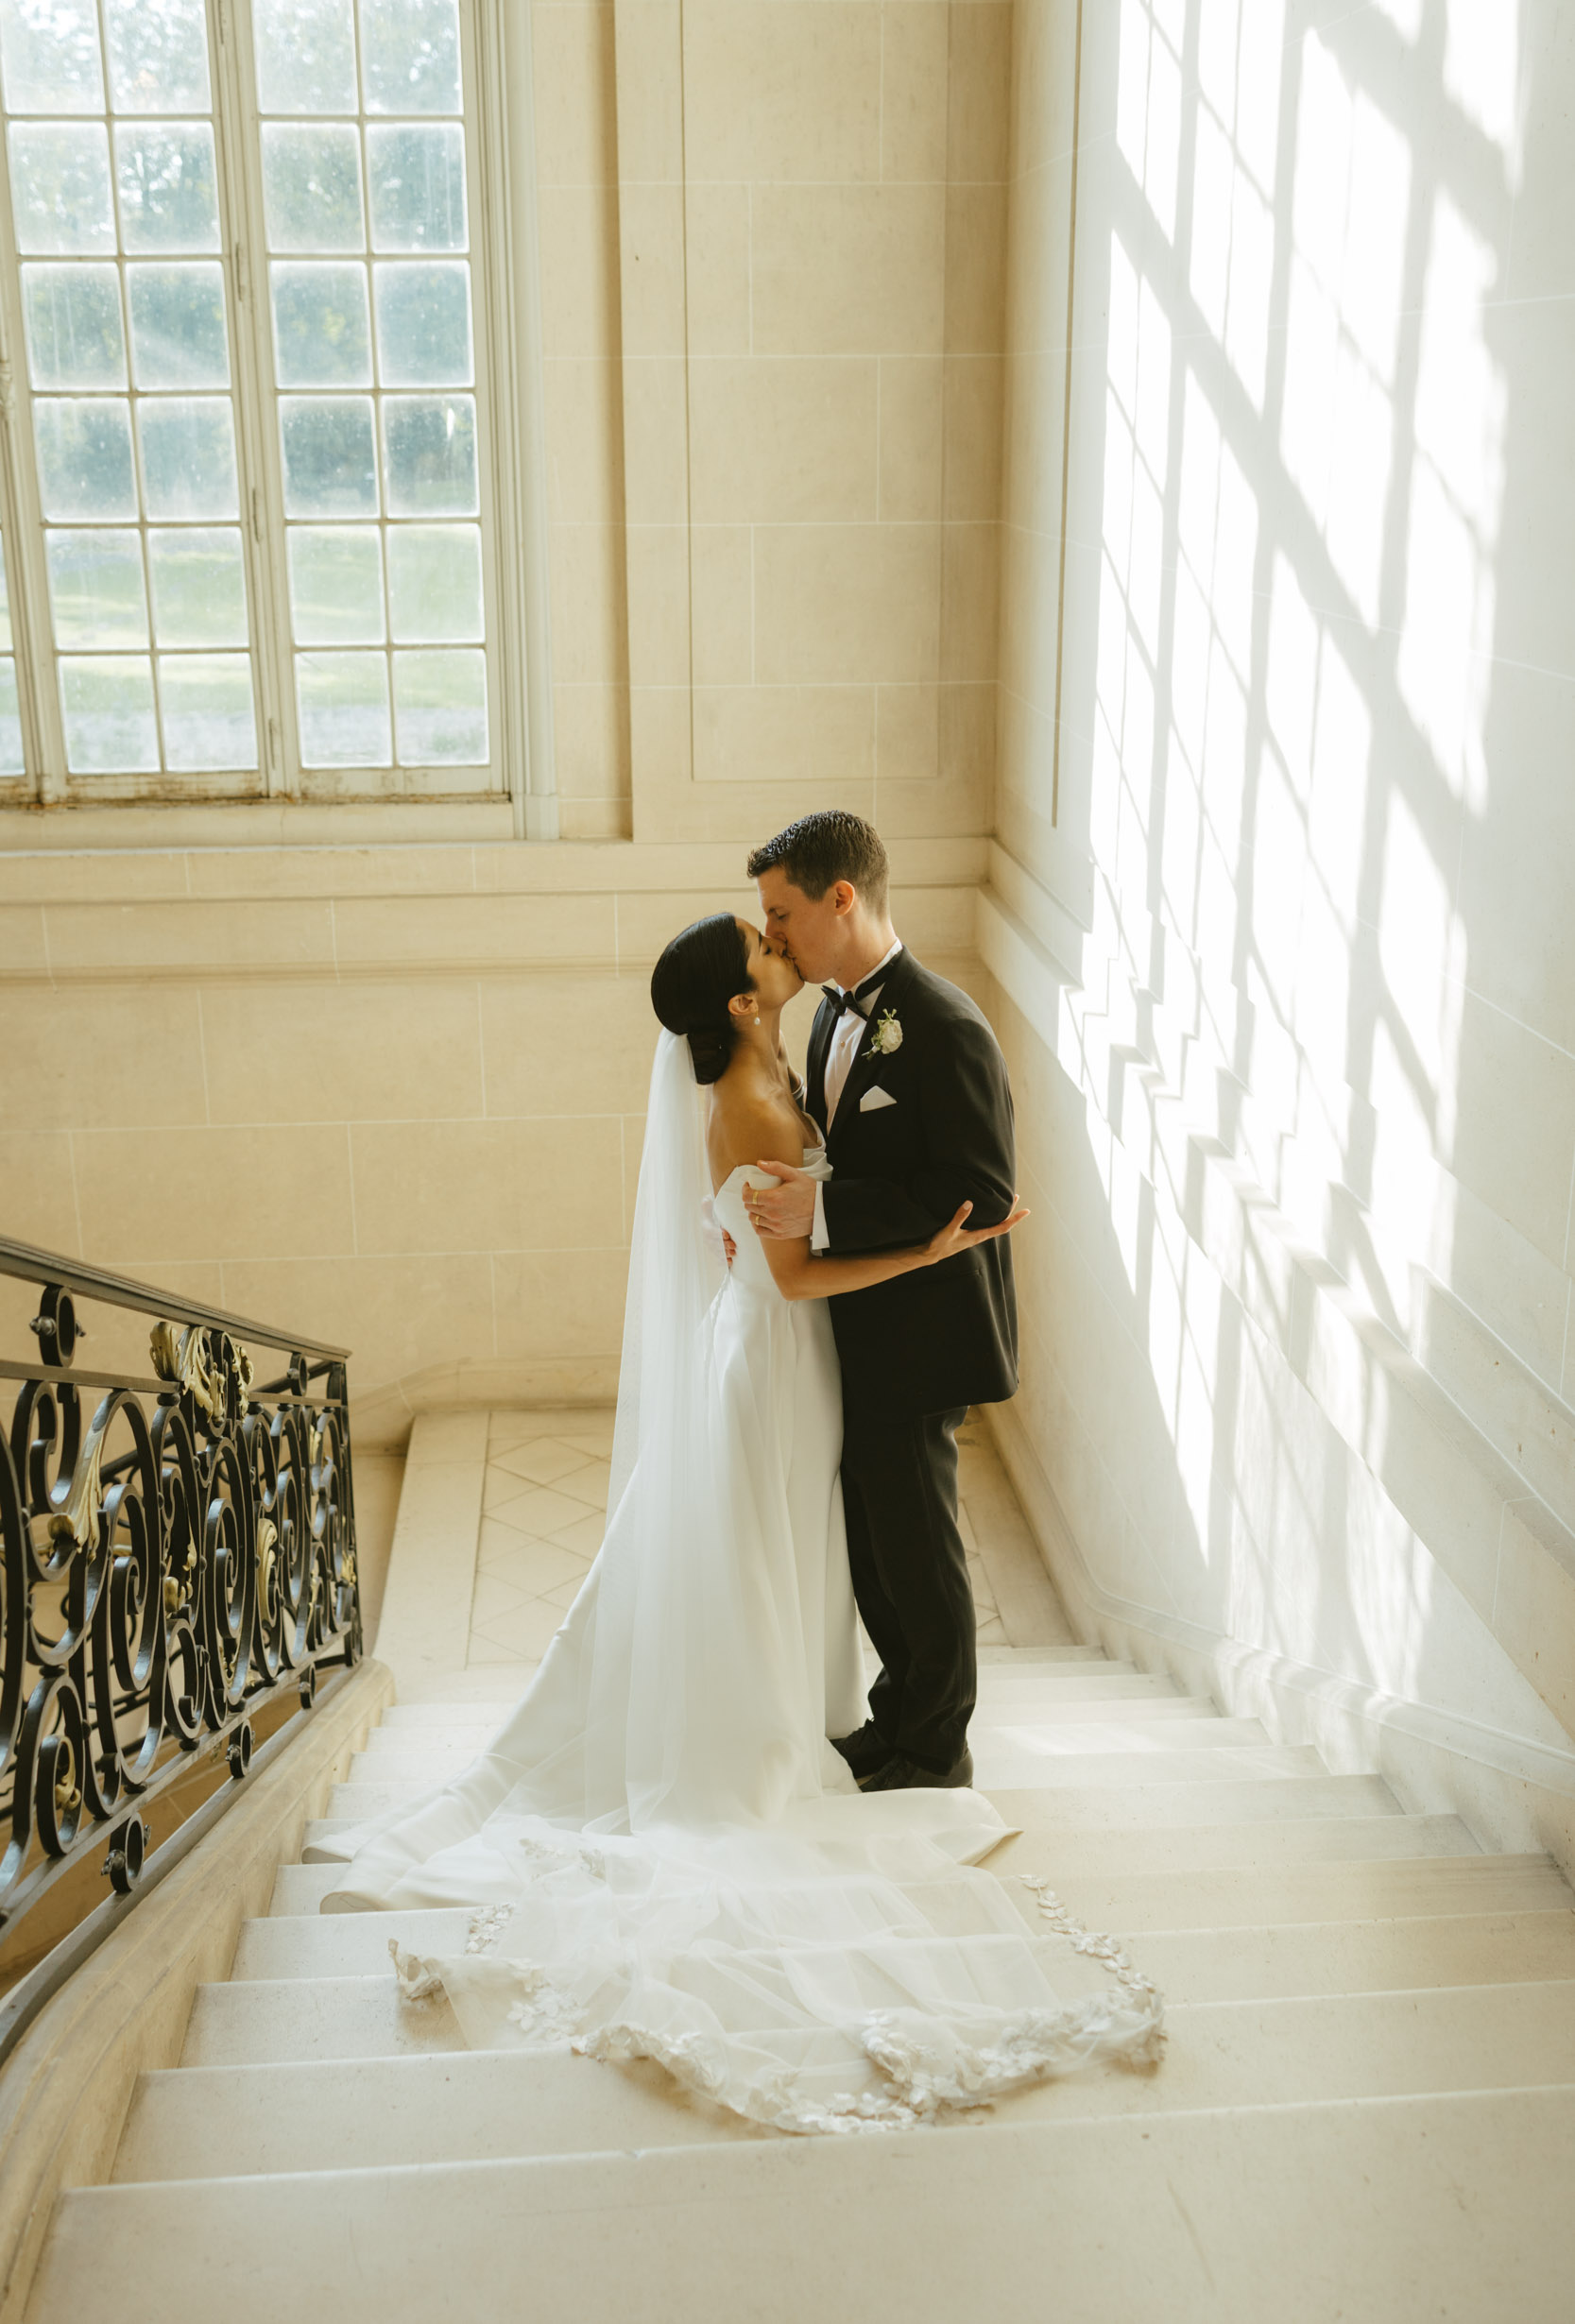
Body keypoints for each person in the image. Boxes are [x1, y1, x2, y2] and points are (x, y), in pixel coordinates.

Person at [309, 900, 1162, 2133]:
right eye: (758, 949)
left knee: (774, 1546)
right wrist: (935, 1250)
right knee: (760, 1540)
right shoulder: (748, 1104)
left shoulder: (768, 1068)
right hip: (775, 1360)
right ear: (738, 1002)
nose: (774, 949)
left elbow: (763, 1228)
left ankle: (800, 1703)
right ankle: (760, 1723)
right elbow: (796, 1270)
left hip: (772, 1347)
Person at [745, 811, 1017, 1794]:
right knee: (873, 1542)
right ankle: (892, 1716)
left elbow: (980, 1193)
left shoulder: (943, 1025)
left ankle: (936, 1746)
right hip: (853, 1323)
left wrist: (824, 1205)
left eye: (780, 911)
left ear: (841, 897)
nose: (770, 933)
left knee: (917, 1545)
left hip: (921, 1331)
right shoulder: (826, 1012)